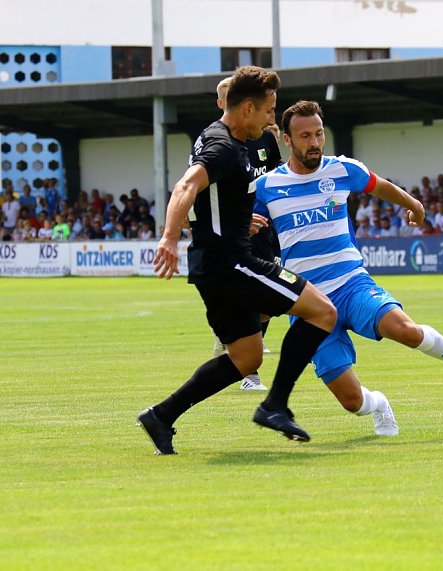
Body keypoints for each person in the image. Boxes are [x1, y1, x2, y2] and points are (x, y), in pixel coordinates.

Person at [251, 100, 443, 438]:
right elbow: (233, 220)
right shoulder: (266, 187)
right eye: (305, 136)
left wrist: (414, 205)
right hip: (308, 303)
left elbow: (380, 185)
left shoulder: (342, 169)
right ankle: (379, 404)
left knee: (405, 330)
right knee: (352, 402)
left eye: (319, 134)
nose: (314, 143)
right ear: (287, 140)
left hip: (351, 285)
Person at [137, 67, 337, 455]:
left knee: (246, 357)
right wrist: (168, 238)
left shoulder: (219, 135)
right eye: (267, 111)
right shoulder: (223, 148)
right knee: (323, 312)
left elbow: (210, 196)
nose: (269, 120)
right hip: (231, 264)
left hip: (213, 266)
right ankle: (275, 405)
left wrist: (234, 220)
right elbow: (186, 186)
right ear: (248, 108)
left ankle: (161, 415)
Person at [210, 77, 284, 390]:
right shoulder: (216, 143)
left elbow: (280, 179)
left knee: (270, 302)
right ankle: (248, 374)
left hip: (266, 231)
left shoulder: (265, 139)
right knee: (253, 295)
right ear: (221, 103)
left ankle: (228, 340)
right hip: (233, 237)